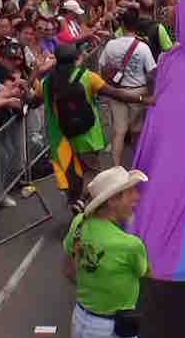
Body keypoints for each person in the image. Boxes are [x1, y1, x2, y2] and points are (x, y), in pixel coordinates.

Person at [45, 43, 152, 213]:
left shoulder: (48, 82)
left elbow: (31, 99)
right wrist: (142, 99)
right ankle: (83, 204)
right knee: (93, 173)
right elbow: (116, 94)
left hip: (63, 137)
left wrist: (34, 73)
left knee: (74, 172)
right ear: (76, 59)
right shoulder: (87, 77)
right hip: (87, 136)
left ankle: (76, 202)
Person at [64, 166, 150, 338]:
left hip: (81, 324)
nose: (137, 196)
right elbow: (145, 271)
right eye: (130, 192)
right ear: (112, 200)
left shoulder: (78, 224)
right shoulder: (129, 245)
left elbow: (68, 270)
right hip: (111, 332)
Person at [99, 8, 157, 168]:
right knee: (137, 131)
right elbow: (152, 72)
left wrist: (109, 83)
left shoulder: (110, 45)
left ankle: (117, 168)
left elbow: (102, 67)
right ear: (136, 25)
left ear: (122, 24)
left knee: (119, 132)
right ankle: (137, 165)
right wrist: (152, 92)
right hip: (138, 91)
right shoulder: (143, 47)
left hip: (117, 92)